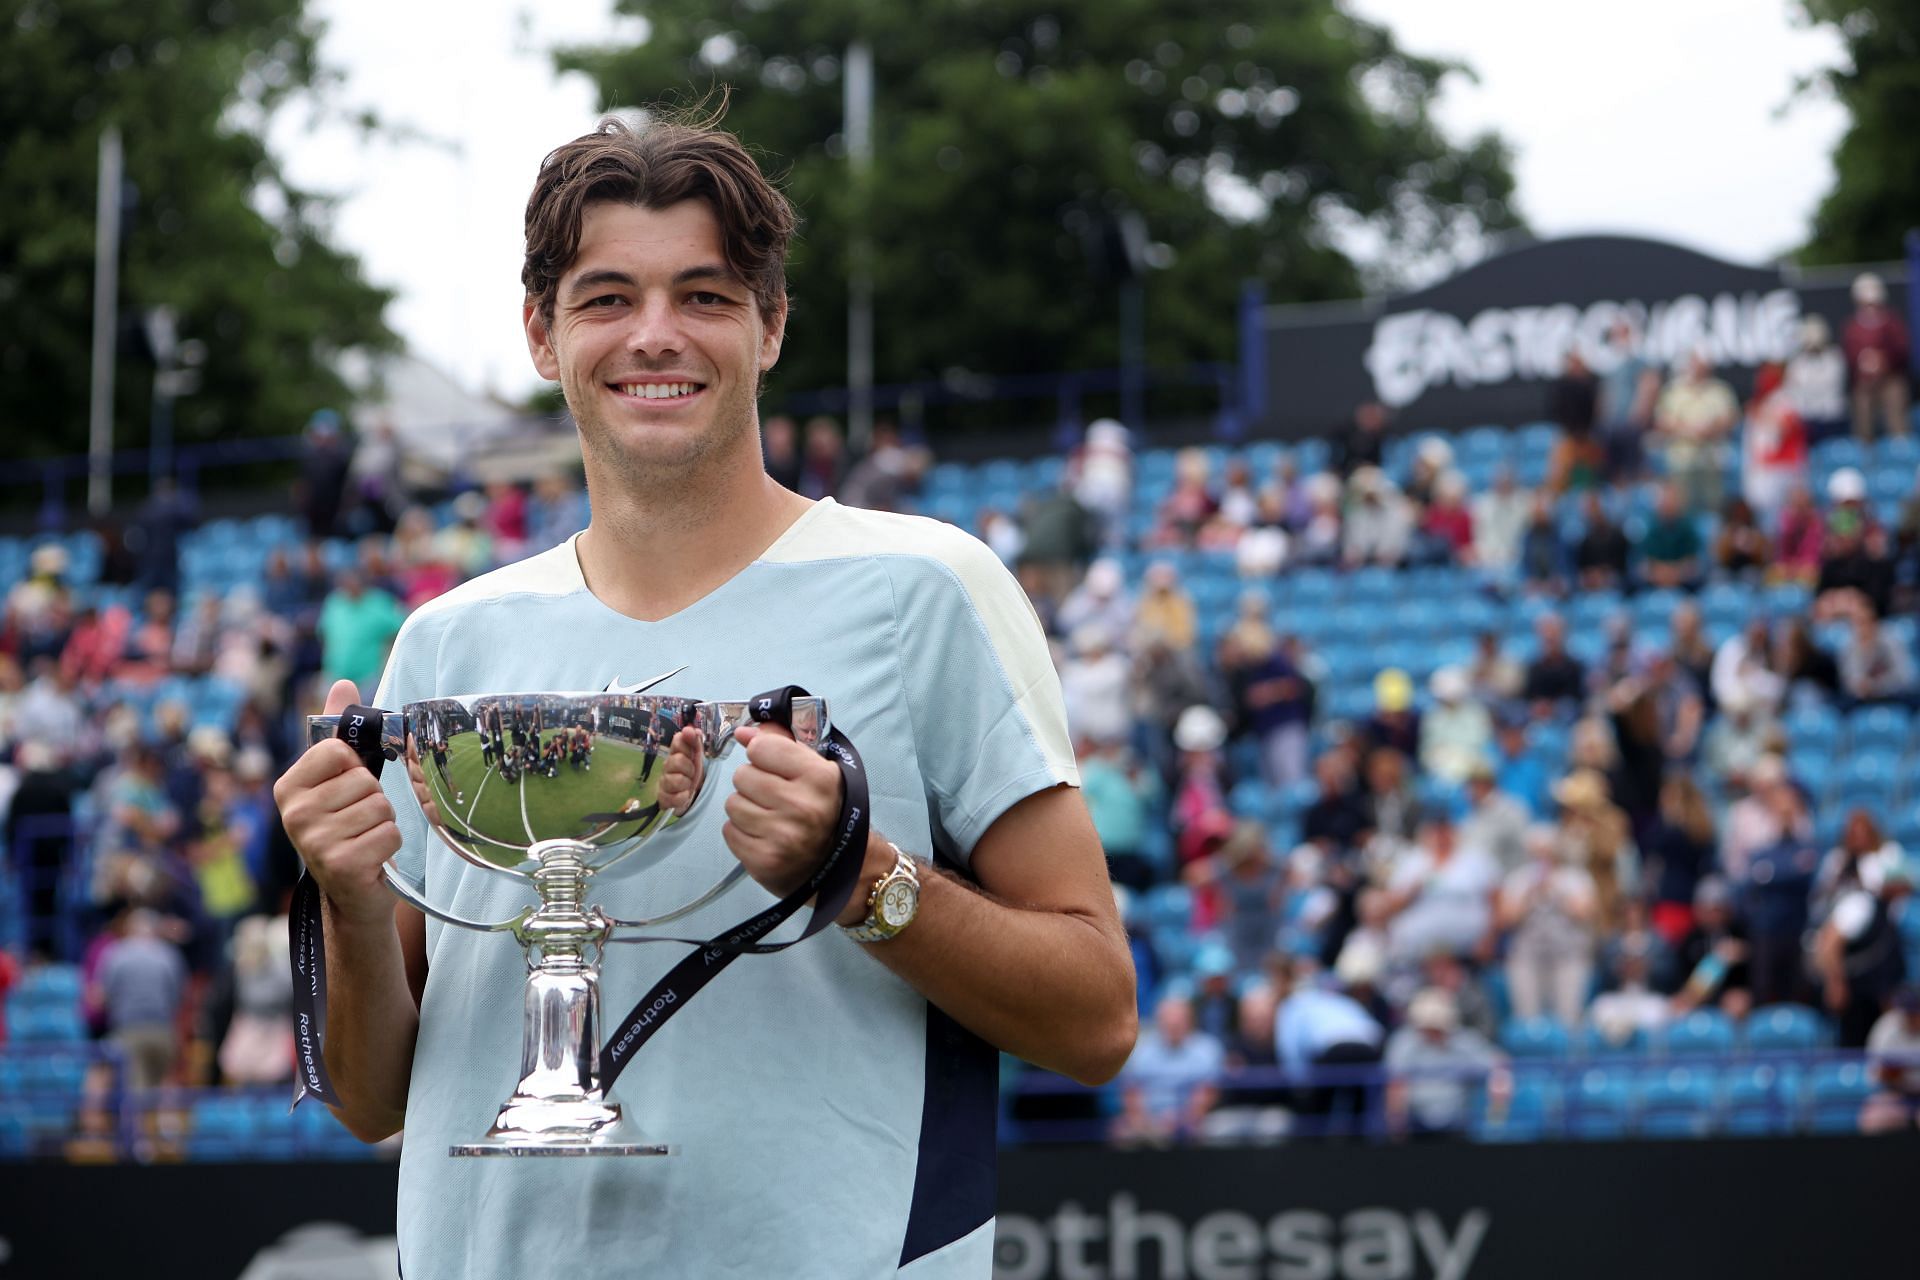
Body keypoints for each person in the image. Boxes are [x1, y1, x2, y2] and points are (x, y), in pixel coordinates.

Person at [272, 113, 1135, 1279]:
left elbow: (1096, 1017)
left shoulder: (924, 587)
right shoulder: (448, 642)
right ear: (542, 333)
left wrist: (861, 875)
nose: (656, 336)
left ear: (771, 326)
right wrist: (351, 899)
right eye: (608, 297)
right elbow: (373, 1098)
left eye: (707, 295)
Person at [1498, 823, 1598, 1027]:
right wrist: (1530, 894)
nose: (1542, 857)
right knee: (1528, 1019)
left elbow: (1586, 913)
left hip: (1567, 957)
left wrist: (1557, 890)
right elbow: (1506, 919)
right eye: (1537, 851)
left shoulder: (1575, 878)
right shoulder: (1519, 879)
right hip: (1528, 958)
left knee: (1569, 1019)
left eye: (1546, 851)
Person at [1383, 987, 1511, 1140]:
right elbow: (1395, 1084)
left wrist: (1496, 1113)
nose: (1432, 1032)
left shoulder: (1464, 1042)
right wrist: (1397, 1125)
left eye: (1437, 1025)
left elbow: (1500, 1063)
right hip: (1415, 1125)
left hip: (1458, 1125)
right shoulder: (1403, 1043)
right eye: (1427, 1026)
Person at [1112, 994, 1224, 1144]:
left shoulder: (1208, 1049)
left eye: (1178, 1020)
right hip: (1148, 1121)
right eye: (1169, 1020)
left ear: (1190, 1021)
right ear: (1159, 1021)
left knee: (1214, 1131)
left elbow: (1207, 1093)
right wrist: (1144, 1122)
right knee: (1121, 1132)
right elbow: (1131, 1092)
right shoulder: (1140, 1051)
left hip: (1193, 1121)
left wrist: (1182, 1121)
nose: (1173, 1024)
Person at [1652, 351, 1738, 514]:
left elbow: (1731, 419)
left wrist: (1711, 429)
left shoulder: (1719, 390)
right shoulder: (1674, 390)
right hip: (1682, 459)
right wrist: (1689, 431)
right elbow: (1662, 422)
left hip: (1713, 459)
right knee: (1682, 507)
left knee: (1714, 506)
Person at [1843, 272, 1911, 441]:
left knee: (1895, 404)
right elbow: (1849, 353)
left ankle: (1900, 450)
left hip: (1891, 378)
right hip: (1865, 382)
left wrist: (1883, 360)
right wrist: (1863, 362)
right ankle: (1865, 454)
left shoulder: (1891, 321)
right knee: (1862, 408)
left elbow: (1902, 348)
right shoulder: (1852, 326)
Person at [1786, 314, 1848, 444]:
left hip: (1830, 421)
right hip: (1804, 421)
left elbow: (1830, 387)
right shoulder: (1797, 362)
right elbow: (1793, 391)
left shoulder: (1834, 358)